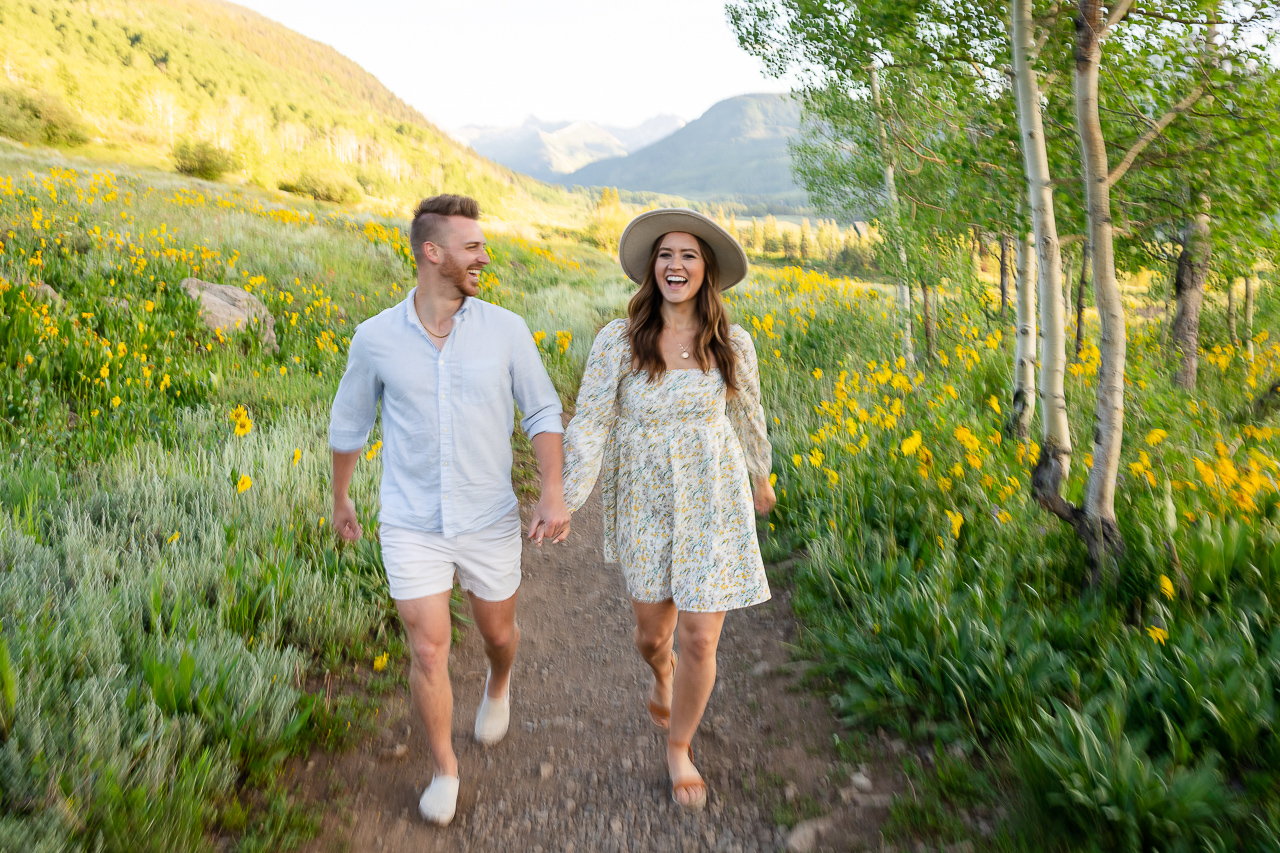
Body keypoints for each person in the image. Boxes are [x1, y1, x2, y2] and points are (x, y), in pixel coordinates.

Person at [328, 194, 570, 827]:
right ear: (432, 254)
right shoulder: (376, 338)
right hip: (410, 523)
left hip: (489, 519)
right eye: (473, 247)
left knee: (497, 635)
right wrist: (341, 497)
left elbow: (542, 410)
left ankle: (498, 683)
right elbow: (350, 423)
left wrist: (551, 489)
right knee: (429, 650)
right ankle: (444, 768)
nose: (484, 257)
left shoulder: (506, 330)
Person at [561, 208, 775, 810]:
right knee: (654, 635)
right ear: (651, 268)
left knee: (702, 639)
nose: (675, 265)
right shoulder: (618, 340)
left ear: (706, 271)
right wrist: (566, 499)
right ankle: (661, 672)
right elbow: (591, 423)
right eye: (665, 255)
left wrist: (761, 476)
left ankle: (679, 748)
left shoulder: (733, 343)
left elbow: (747, 414)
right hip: (645, 498)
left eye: (688, 255)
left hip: (714, 495)